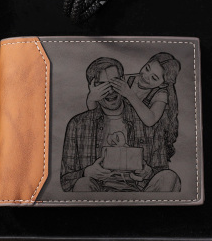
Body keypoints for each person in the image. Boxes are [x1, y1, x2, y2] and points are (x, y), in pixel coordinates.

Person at [60, 57, 181, 192]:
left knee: (169, 178)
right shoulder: (78, 124)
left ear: (123, 82)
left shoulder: (148, 118)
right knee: (83, 183)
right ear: (92, 88)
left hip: (140, 192)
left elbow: (161, 170)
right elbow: (65, 180)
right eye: (103, 85)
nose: (110, 91)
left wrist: (147, 172)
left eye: (115, 83)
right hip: (97, 192)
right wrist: (86, 172)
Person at [86, 52, 181, 160]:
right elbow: (96, 112)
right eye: (147, 68)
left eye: (154, 78)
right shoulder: (127, 79)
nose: (145, 76)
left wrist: (129, 94)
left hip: (141, 138)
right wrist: (91, 98)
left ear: (163, 84)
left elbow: (150, 120)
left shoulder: (161, 94)